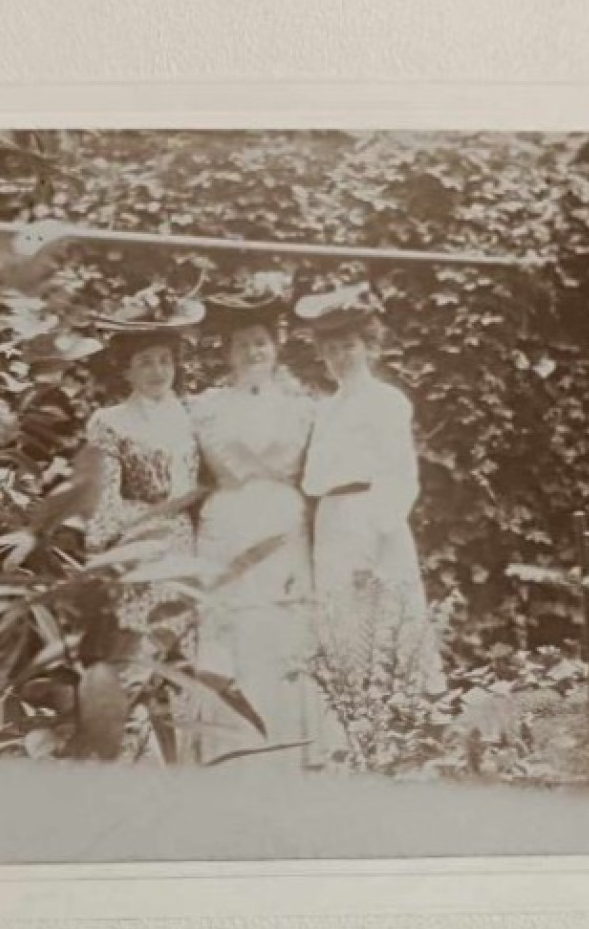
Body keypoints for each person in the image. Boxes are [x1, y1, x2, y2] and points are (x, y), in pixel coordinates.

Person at [297, 283, 446, 712]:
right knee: (341, 617)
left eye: (349, 346)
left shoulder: (387, 402)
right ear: (322, 355)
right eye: (332, 349)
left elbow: (399, 475)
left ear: (369, 347)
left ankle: (402, 714)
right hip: (332, 520)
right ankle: (353, 711)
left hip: (371, 518)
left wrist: (376, 540)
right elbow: (314, 478)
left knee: (384, 614)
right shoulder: (326, 408)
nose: (341, 357)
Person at [186, 293, 319, 768]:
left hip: (284, 521)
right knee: (231, 624)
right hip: (228, 522)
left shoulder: (303, 407)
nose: (253, 352)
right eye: (242, 344)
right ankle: (229, 750)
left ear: (276, 347)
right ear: (227, 352)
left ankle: (289, 750)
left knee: (282, 624)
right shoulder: (204, 408)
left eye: (261, 342)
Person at [82, 292, 206, 759]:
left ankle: (186, 765)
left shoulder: (193, 416)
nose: (158, 371)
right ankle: (131, 763)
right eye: (146, 362)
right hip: (137, 555)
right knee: (134, 663)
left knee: (184, 665)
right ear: (127, 371)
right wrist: (112, 559)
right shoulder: (109, 421)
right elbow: (104, 499)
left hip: (187, 552)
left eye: (164, 360)